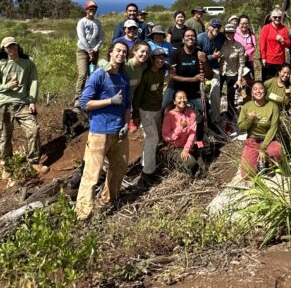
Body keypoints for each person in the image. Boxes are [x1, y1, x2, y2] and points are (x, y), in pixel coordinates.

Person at [75, 41, 131, 220]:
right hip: (99, 132)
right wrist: (109, 101)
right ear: (110, 53)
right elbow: (85, 103)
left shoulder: (123, 77)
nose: (121, 54)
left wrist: (127, 124)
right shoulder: (99, 75)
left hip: (119, 132)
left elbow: (128, 106)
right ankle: (83, 214)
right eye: (118, 51)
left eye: (124, 52)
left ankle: (108, 202)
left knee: (119, 168)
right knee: (92, 174)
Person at [0, 37, 48, 181]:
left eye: (14, 46)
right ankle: (7, 167)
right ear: (4, 49)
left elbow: (33, 82)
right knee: (4, 137)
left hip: (23, 104)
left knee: (33, 130)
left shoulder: (28, 63)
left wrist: (32, 101)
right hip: (4, 105)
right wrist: (7, 86)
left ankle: (34, 162)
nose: (12, 49)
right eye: (8, 47)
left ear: (17, 46)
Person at [169, 28, 213, 146]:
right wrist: (193, 79)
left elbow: (210, 75)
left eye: (193, 36)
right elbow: (172, 76)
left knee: (206, 111)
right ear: (183, 39)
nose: (190, 38)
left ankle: (199, 138)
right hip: (177, 89)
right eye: (187, 36)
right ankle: (167, 136)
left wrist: (204, 61)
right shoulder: (176, 53)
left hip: (194, 91)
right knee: (164, 107)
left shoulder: (199, 53)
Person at [133, 47, 167, 187]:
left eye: (162, 57)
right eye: (157, 57)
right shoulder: (146, 74)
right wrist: (135, 114)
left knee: (153, 138)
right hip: (145, 110)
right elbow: (138, 95)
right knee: (152, 138)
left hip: (157, 109)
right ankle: (147, 172)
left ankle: (145, 162)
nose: (160, 60)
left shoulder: (161, 71)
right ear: (152, 59)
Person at [238, 81, 282, 178]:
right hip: (253, 141)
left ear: (265, 91)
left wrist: (262, 148)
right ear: (252, 93)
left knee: (276, 150)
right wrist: (250, 119)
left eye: (261, 88)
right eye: (255, 89)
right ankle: (259, 163)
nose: (258, 91)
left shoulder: (273, 106)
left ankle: (270, 164)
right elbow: (241, 128)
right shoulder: (246, 106)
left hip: (269, 140)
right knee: (246, 175)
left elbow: (273, 128)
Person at [162, 90, 205, 175]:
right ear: (174, 101)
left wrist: (186, 149)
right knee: (191, 163)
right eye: (179, 98)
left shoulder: (191, 113)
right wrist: (180, 128)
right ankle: (176, 166)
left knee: (203, 169)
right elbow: (166, 137)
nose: (182, 100)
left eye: (184, 98)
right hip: (175, 148)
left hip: (188, 146)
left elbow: (192, 134)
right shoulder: (169, 116)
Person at [74, 0, 104, 110]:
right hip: (82, 51)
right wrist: (89, 50)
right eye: (90, 9)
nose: (92, 11)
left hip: (94, 52)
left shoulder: (98, 23)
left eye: (94, 9)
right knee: (82, 74)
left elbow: (101, 37)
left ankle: (90, 95)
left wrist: (94, 49)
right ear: (86, 10)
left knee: (92, 74)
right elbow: (81, 37)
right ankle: (77, 97)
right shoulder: (82, 22)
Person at [198, 19, 226, 129]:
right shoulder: (200, 38)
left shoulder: (221, 37)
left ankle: (215, 119)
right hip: (201, 69)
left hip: (214, 68)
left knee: (215, 93)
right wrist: (211, 57)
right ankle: (202, 119)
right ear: (209, 27)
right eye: (214, 26)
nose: (216, 29)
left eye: (218, 27)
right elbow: (198, 55)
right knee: (201, 94)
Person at [219, 24, 245, 122]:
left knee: (230, 96)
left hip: (232, 74)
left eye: (231, 32)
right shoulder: (221, 44)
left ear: (234, 33)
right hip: (221, 73)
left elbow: (241, 64)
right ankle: (216, 116)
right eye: (227, 32)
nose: (229, 34)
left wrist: (239, 79)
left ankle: (230, 118)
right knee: (217, 95)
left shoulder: (239, 46)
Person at [259, 8, 291, 81]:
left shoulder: (284, 29)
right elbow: (262, 44)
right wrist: (263, 58)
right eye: (275, 17)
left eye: (279, 17)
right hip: (268, 60)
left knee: (279, 81)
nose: (277, 19)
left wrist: (283, 41)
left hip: (280, 61)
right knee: (267, 82)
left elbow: (288, 44)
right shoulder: (266, 28)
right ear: (271, 17)